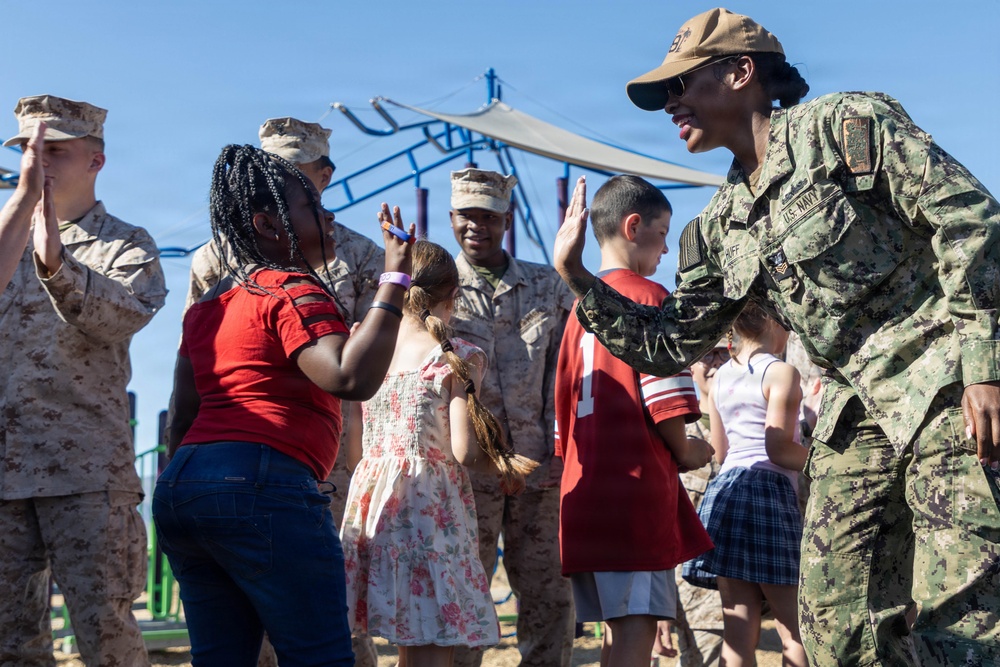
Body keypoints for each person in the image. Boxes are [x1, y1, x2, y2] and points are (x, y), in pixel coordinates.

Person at [553, 7, 1000, 665]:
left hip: (945, 388)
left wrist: (985, 363)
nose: (671, 102)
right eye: (665, 93)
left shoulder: (847, 129)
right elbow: (668, 344)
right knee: (834, 633)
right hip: (857, 418)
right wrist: (578, 277)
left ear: (742, 72)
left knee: (966, 613)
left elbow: (968, 218)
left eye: (683, 83)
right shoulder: (718, 229)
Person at [154, 143, 413, 666]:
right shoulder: (293, 288)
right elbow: (349, 375)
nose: (331, 213)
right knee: (319, 657)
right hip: (262, 485)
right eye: (313, 206)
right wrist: (396, 278)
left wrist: (196, 495)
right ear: (270, 225)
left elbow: (182, 416)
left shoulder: (208, 306)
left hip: (184, 490)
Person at [0, 95, 167, 666]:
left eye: (54, 151)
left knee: (107, 638)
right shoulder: (4, 236)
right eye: (25, 150)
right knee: (9, 645)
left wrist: (55, 262)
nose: (35, 162)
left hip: (85, 472)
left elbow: (119, 315)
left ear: (95, 161)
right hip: (4, 471)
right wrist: (23, 208)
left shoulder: (127, 244)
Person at [341, 240, 534, 667]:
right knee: (432, 640)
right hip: (430, 515)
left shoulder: (368, 350)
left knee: (407, 641)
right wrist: (503, 465)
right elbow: (464, 451)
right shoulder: (457, 357)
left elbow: (354, 452)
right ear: (454, 296)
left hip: (375, 509)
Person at [554, 175, 713, 667]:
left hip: (586, 490)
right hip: (634, 497)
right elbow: (663, 399)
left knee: (615, 633)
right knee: (634, 639)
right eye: (664, 234)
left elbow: (562, 410)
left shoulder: (579, 309)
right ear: (634, 225)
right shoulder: (647, 298)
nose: (667, 248)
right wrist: (689, 451)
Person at [447, 168, 576, 667]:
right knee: (463, 591)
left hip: (539, 467)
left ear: (507, 218)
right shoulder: (437, 289)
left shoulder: (546, 285)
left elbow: (564, 373)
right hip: (465, 472)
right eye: (467, 216)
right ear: (452, 217)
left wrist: (560, 452)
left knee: (547, 594)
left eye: (488, 217)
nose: (476, 226)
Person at [683, 303, 807, 667]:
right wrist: (823, 463)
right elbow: (779, 449)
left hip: (726, 494)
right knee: (794, 630)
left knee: (737, 631)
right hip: (769, 496)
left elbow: (721, 453)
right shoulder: (782, 372)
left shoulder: (720, 376)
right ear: (772, 322)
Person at [667, 341, 729, 667]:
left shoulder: (750, 420)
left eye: (724, 352)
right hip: (689, 587)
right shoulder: (678, 430)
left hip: (736, 580)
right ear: (691, 366)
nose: (716, 361)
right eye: (708, 353)